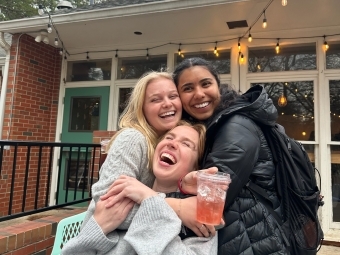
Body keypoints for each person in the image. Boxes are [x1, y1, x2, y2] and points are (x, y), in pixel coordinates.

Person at [173, 57, 288, 255]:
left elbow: (209, 202)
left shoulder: (235, 128)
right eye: (188, 88)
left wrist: (153, 199)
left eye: (205, 84)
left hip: (255, 242)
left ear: (218, 85)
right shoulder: (212, 126)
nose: (199, 94)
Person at [61, 122, 218, 254]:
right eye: (169, 137)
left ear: (196, 165)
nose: (171, 143)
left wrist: (151, 200)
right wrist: (97, 229)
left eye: (186, 144)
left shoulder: (199, 215)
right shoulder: (124, 200)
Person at [80, 71, 182, 234]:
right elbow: (108, 207)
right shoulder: (133, 139)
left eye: (173, 96)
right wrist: (179, 210)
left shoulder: (168, 144)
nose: (167, 104)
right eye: (155, 99)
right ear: (142, 109)